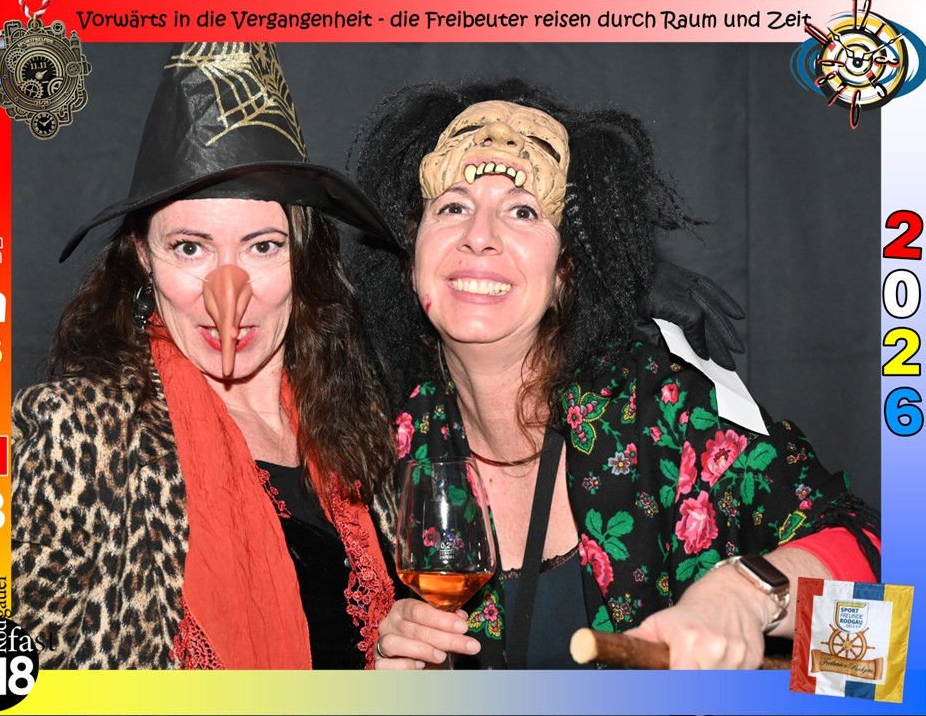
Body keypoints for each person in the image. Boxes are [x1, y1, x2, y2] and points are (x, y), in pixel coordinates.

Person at [349, 81, 881, 669]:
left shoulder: (661, 409)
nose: (479, 236)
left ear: (565, 271)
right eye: (453, 206)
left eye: (523, 211)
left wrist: (746, 596)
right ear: (410, 252)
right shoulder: (386, 440)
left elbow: (881, 644)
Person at [10, 42, 396, 669]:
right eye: (190, 247)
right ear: (143, 255)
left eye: (263, 246)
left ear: (303, 255)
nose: (228, 295)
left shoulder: (356, 423)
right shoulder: (76, 431)